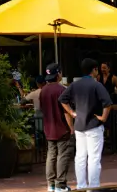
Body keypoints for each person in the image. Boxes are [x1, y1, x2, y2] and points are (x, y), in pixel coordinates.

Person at [59, 58, 112, 190]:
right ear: (94, 70)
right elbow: (108, 103)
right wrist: (104, 118)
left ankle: (81, 186)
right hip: (94, 125)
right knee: (94, 158)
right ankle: (93, 187)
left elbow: (62, 99)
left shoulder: (74, 85)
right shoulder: (96, 85)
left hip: (79, 125)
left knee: (80, 157)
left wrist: (72, 113)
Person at [40, 63, 74, 192]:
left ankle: (51, 184)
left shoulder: (43, 91)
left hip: (48, 128)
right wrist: (71, 127)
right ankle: (60, 185)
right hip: (61, 128)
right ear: (58, 74)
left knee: (51, 156)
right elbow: (66, 111)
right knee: (62, 156)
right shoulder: (62, 90)